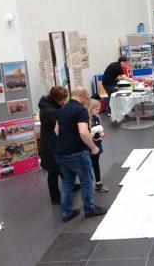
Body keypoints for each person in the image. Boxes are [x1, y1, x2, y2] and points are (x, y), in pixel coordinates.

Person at [55, 86, 107, 222]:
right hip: (77, 152)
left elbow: (56, 130)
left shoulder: (62, 109)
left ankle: (66, 212)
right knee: (87, 180)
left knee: (67, 182)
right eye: (87, 98)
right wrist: (93, 147)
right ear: (83, 97)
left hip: (61, 153)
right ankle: (89, 208)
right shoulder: (80, 110)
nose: (87, 101)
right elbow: (83, 132)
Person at [39, 85, 69, 205]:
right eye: (63, 99)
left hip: (53, 142)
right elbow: (62, 122)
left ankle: (69, 186)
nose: (64, 102)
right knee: (53, 171)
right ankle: (55, 198)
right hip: (51, 144)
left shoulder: (49, 106)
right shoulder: (50, 111)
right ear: (57, 99)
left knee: (61, 168)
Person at [86, 98, 108, 193]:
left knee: (96, 163)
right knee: (88, 165)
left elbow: (100, 130)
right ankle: (88, 186)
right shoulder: (86, 120)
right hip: (89, 146)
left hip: (97, 144)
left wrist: (101, 133)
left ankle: (98, 183)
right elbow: (84, 134)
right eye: (97, 109)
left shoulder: (97, 118)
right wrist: (90, 135)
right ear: (91, 109)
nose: (99, 111)